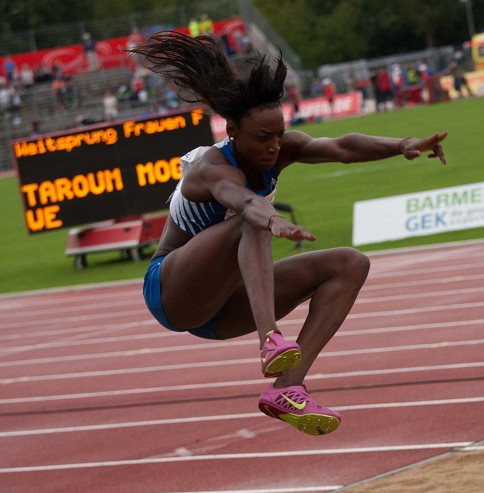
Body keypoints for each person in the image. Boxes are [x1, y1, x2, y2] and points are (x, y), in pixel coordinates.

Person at [134, 30, 448, 436]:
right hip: (171, 292)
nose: (273, 147)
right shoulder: (211, 168)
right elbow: (244, 202)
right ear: (232, 131)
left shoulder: (280, 150)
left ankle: (288, 386)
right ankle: (271, 341)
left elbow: (342, 147)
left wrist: (402, 144)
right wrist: (270, 219)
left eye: (279, 135)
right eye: (262, 138)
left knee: (350, 264)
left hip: (221, 308)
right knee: (251, 217)